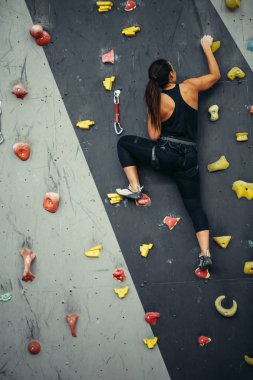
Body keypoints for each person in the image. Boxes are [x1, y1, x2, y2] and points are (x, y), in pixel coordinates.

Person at [116, 35, 221, 271]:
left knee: (124, 143)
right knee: (195, 206)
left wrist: (153, 110)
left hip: (165, 156)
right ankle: (205, 253)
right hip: (189, 161)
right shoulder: (191, 86)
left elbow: (153, 136)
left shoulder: (158, 100)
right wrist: (206, 47)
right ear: (172, 74)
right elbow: (215, 76)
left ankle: (135, 188)